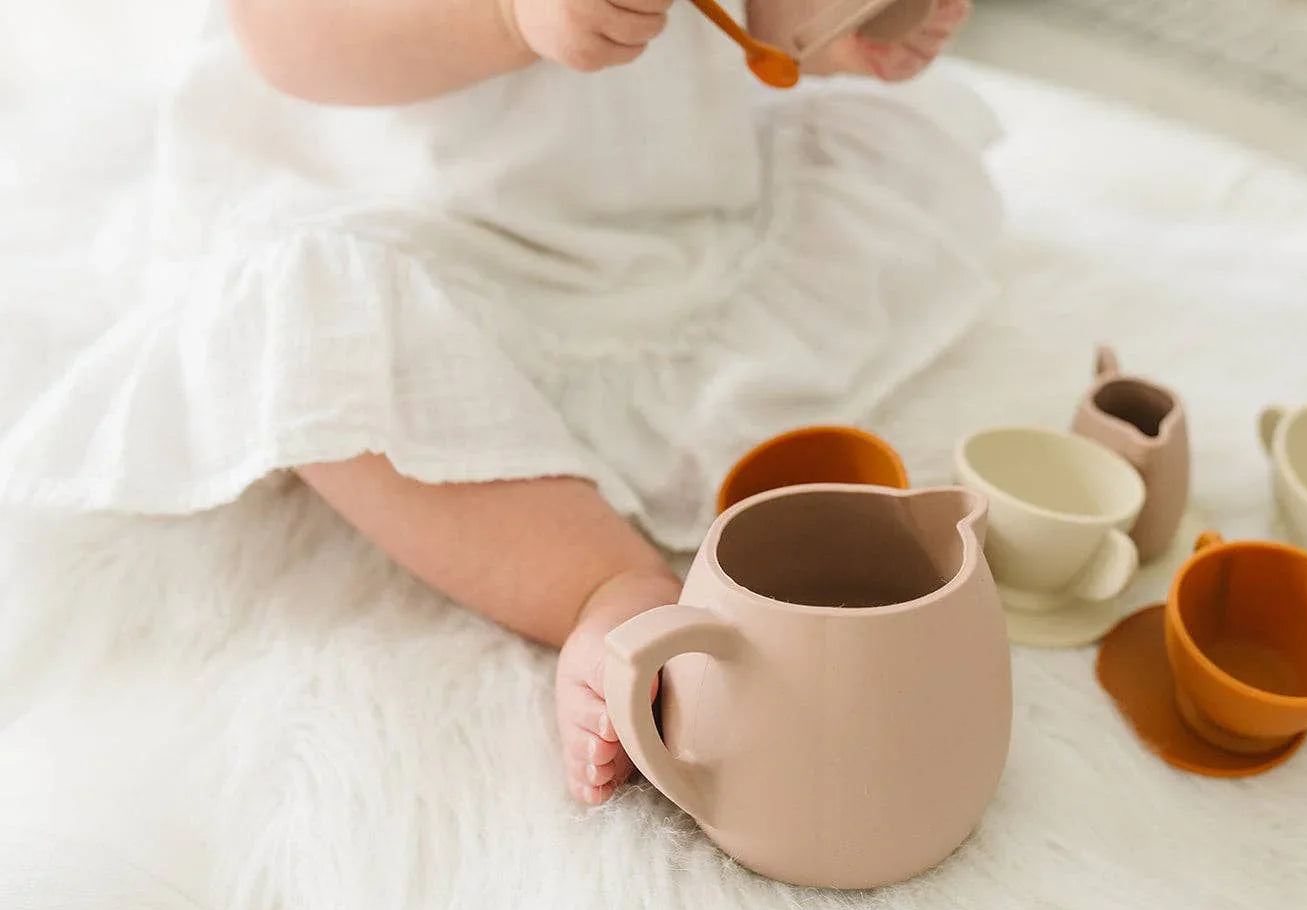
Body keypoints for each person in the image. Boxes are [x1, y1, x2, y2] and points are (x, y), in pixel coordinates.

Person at [0, 0, 1000, 805]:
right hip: (413, 212)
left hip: (657, 212)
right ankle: (596, 585)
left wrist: (833, 32)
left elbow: (753, 30)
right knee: (313, 335)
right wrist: (505, 22)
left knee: (911, 162)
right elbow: (289, 35)